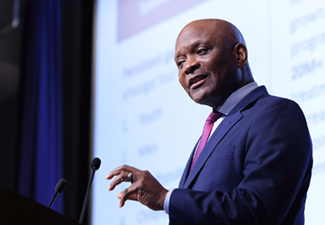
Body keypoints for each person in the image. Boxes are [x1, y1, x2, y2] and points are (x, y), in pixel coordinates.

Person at [106, 19, 313, 224]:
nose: (188, 66)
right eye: (180, 63)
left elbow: (257, 208)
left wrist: (165, 198)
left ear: (240, 55)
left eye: (202, 51)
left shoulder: (275, 113)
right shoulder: (213, 129)